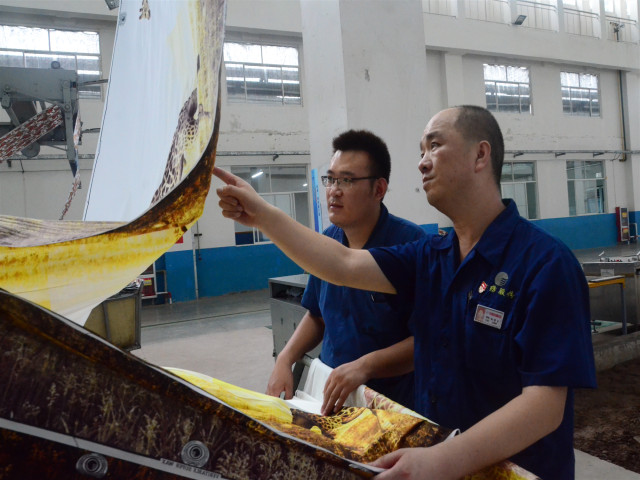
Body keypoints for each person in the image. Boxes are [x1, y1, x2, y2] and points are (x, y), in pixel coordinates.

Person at [213, 105, 596, 480]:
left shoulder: (545, 264)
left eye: (434, 146)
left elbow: (545, 407)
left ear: (480, 155)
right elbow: (342, 265)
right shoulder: (430, 256)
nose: (422, 163)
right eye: (420, 151)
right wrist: (261, 214)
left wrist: (442, 460)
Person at [266, 129, 425, 415]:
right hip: (331, 397)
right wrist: (285, 359)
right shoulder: (327, 242)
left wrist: (365, 366)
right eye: (331, 179)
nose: (334, 190)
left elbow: (427, 340)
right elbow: (316, 315)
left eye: (347, 180)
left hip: (388, 407)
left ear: (378, 189)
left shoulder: (412, 246)